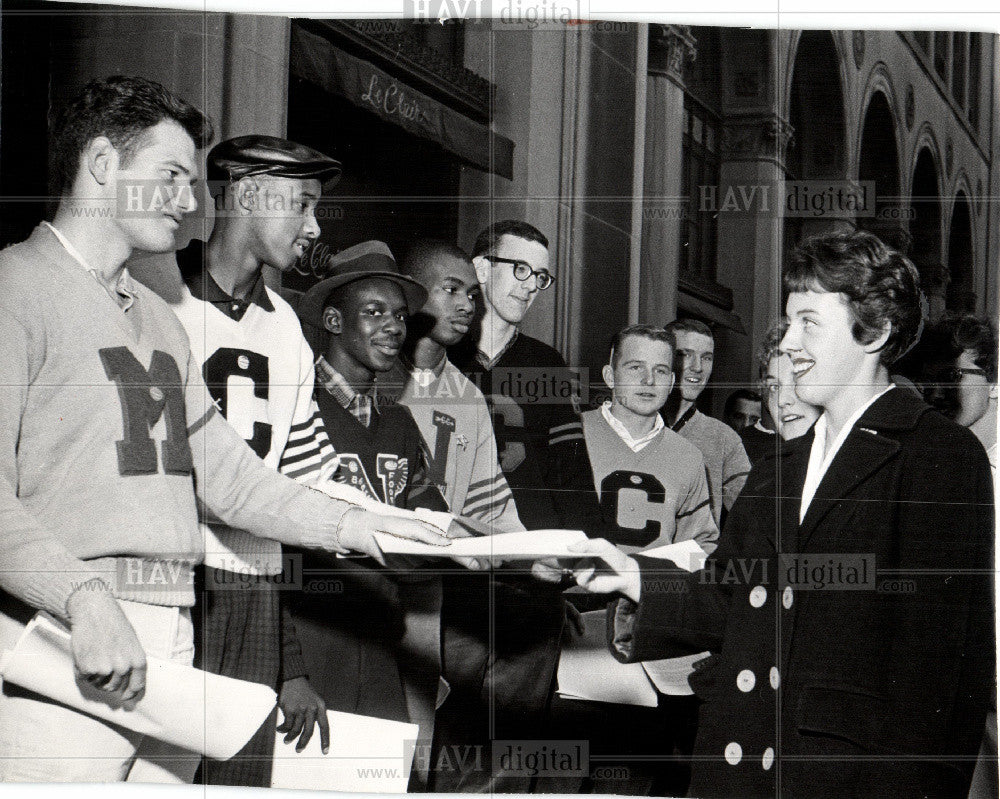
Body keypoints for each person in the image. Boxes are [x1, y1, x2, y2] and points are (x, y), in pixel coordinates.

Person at [0, 75, 453, 784]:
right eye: (173, 176)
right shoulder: (14, 288)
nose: (189, 200)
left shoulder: (154, 317)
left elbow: (235, 480)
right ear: (101, 164)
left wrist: (362, 526)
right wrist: (83, 599)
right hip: (68, 638)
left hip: (172, 644)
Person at [544, 231, 994, 798]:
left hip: (843, 776)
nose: (790, 345)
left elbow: (942, 670)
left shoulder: (938, 456)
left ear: (875, 331)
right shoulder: (781, 464)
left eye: (810, 322)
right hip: (742, 759)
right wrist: (629, 574)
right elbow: (728, 594)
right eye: (788, 325)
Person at [168, 135, 341, 785]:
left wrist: (289, 659)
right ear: (244, 193)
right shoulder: (156, 291)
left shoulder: (287, 328)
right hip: (169, 579)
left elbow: (304, 486)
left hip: (255, 591)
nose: (314, 226)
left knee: (239, 776)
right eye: (302, 203)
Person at [442, 219, 606, 792]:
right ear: (481, 267)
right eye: (520, 269)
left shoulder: (545, 364)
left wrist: (584, 557)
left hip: (532, 576)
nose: (532, 285)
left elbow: (571, 473)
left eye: (542, 275)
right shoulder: (439, 354)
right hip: (453, 575)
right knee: (448, 735)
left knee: (514, 748)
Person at [286, 240, 457, 735]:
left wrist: (515, 551)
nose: (394, 327)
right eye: (375, 311)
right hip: (311, 631)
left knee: (389, 779)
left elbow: (434, 521)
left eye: (401, 315)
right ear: (335, 322)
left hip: (382, 638)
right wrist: (288, 668)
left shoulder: (401, 422)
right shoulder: (297, 405)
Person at [542, 323, 719, 796]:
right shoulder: (569, 434)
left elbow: (702, 547)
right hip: (573, 627)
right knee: (561, 773)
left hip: (647, 637)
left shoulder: (687, 457)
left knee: (633, 779)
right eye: (635, 367)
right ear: (609, 373)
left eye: (662, 370)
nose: (648, 380)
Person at [391, 238, 525, 788]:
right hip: (360, 575)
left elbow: (491, 504)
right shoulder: (369, 374)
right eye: (451, 290)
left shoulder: (467, 395)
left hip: (428, 588)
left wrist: (534, 557)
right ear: (411, 293)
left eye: (472, 293)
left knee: (418, 743)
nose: (468, 305)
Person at [663, 319, 751, 526]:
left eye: (706, 358)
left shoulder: (724, 439)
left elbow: (753, 516)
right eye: (685, 355)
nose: (697, 367)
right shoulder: (637, 425)